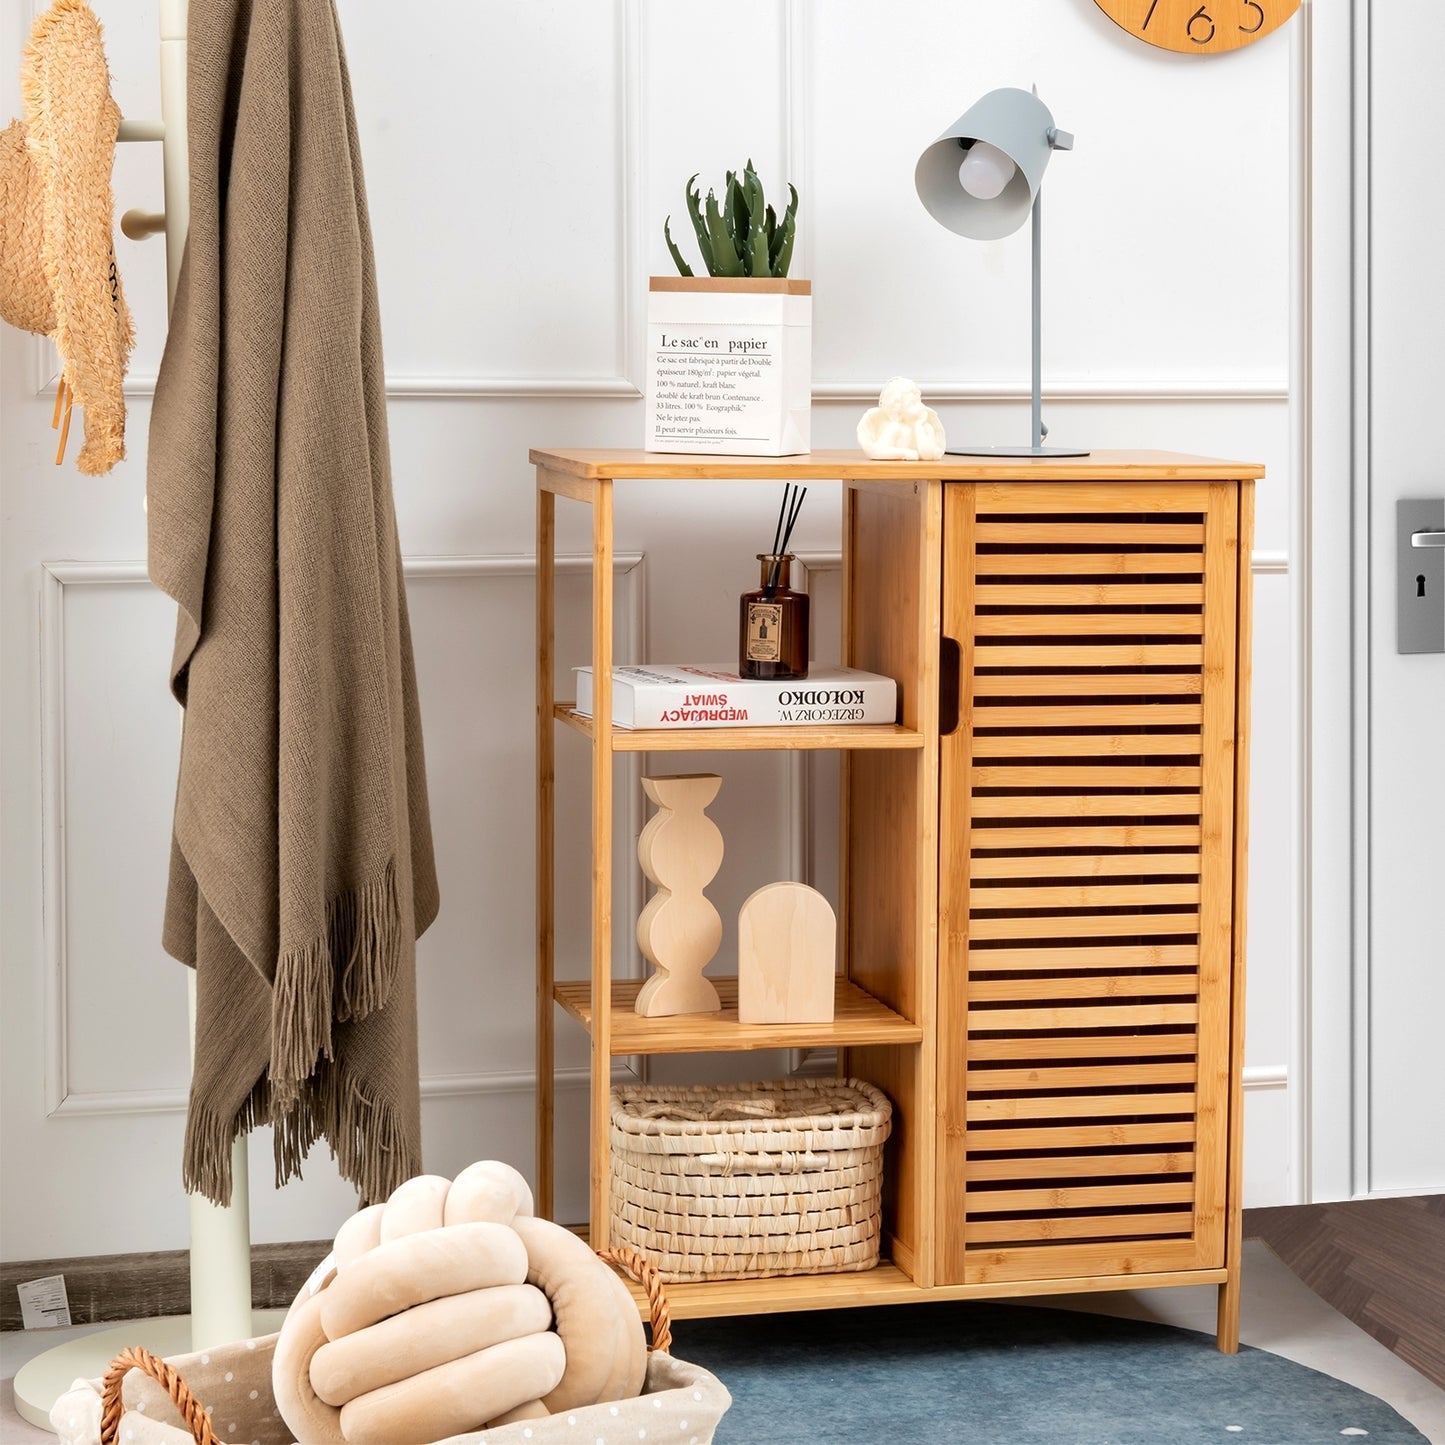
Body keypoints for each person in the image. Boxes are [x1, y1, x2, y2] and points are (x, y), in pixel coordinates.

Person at [856, 376, 946, 460]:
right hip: (893, 470)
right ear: (898, 409)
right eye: (912, 403)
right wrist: (904, 453)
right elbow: (878, 451)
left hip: (919, 470)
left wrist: (918, 426)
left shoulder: (926, 427)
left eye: (918, 401)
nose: (919, 406)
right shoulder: (895, 427)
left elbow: (928, 456)